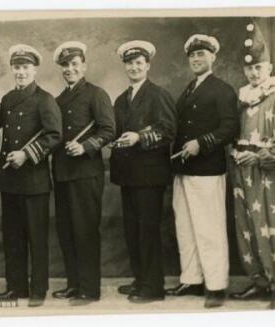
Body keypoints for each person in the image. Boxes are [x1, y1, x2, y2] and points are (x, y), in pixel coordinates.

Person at [166, 34, 239, 308]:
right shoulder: (189, 89)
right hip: (183, 169)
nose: (196, 59)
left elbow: (230, 128)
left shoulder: (222, 89)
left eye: (202, 54)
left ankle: (216, 285)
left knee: (209, 228)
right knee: (185, 226)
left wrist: (202, 143)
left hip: (207, 169)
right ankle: (192, 278)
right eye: (193, 55)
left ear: (213, 57)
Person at [229, 20, 275, 309]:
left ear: (269, 68)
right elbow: (234, 133)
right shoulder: (243, 100)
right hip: (242, 172)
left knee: (271, 224)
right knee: (247, 226)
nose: (254, 73)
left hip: (267, 173)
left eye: (259, 67)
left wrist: (258, 156)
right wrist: (236, 152)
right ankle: (258, 280)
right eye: (249, 68)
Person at [0, 44, 62, 307]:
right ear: (12, 69)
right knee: (13, 237)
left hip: (34, 181)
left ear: (35, 70)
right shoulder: (8, 99)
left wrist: (26, 154)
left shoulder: (45, 99)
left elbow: (54, 135)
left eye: (25, 68)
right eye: (16, 68)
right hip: (10, 179)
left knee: (36, 237)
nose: (20, 72)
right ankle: (15, 287)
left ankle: (38, 290)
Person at [110, 40, 177, 304]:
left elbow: (168, 130)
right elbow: (117, 132)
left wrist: (139, 137)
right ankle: (140, 279)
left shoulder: (158, 94)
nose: (134, 67)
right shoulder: (121, 99)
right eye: (130, 63)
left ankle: (153, 287)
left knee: (148, 230)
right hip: (128, 175)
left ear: (148, 65)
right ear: (125, 66)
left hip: (150, 176)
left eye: (139, 63)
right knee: (133, 230)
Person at [51, 41, 115, 306]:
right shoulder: (58, 99)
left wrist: (85, 146)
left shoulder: (96, 94)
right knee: (66, 230)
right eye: (65, 65)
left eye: (74, 64)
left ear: (84, 66)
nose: (70, 69)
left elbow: (109, 131)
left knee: (86, 230)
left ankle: (89, 289)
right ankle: (74, 284)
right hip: (63, 174)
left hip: (87, 174)